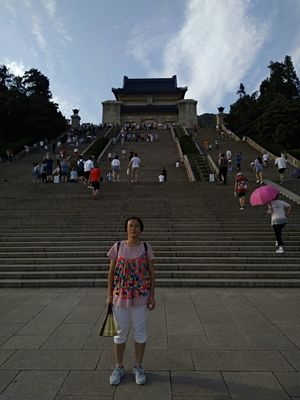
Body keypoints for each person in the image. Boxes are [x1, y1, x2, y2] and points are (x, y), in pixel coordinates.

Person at [106, 217, 155, 386]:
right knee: (120, 333)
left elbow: (151, 273)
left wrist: (152, 295)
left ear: (141, 229)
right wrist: (109, 295)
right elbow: (111, 273)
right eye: (130, 226)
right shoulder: (118, 247)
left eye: (136, 226)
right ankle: (119, 367)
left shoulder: (146, 247)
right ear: (126, 229)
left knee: (140, 331)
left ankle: (138, 367)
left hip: (141, 298)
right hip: (120, 297)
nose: (133, 228)